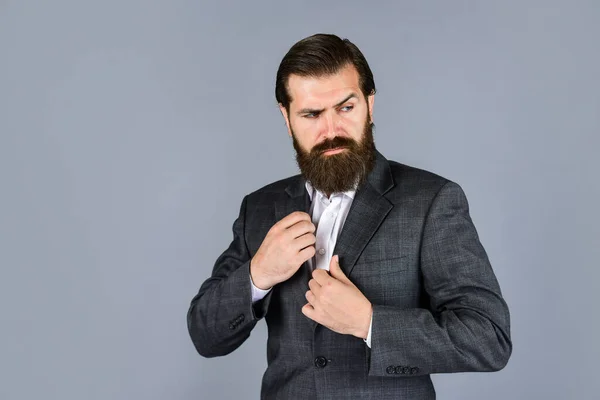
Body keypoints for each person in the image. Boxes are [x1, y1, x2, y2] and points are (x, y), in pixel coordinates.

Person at [186, 33, 512, 399]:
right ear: (286, 117)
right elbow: (205, 335)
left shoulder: (432, 200)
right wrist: (257, 274)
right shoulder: (260, 208)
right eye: (311, 114)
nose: (331, 131)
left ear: (370, 104)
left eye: (346, 108)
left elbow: (488, 338)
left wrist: (369, 322)